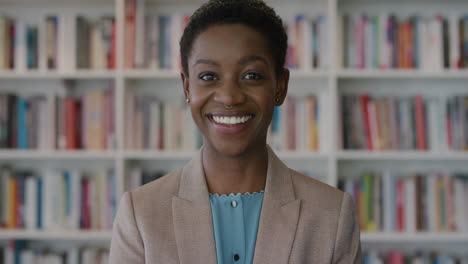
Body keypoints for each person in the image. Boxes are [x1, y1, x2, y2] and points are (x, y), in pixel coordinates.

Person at [109, 0, 362, 263]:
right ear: (187, 88)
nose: (229, 97)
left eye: (251, 76)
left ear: (280, 87)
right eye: (208, 76)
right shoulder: (140, 215)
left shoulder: (331, 213)